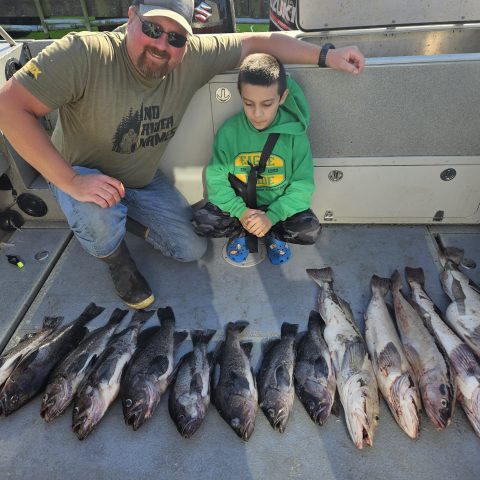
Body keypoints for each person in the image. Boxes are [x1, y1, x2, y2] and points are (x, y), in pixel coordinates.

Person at [0, 0, 365, 309]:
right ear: (131, 17)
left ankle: (120, 217)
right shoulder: (83, 52)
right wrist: (71, 180)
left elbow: (258, 40)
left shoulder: (190, 58)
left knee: (190, 248)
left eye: (176, 37)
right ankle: (116, 259)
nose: (162, 44)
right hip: (79, 173)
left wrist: (326, 56)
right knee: (95, 213)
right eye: (152, 29)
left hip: (140, 180)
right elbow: (8, 107)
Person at [192, 53, 319, 265]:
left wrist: (271, 217)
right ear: (240, 95)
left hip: (277, 209)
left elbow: (302, 187)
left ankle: (272, 233)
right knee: (201, 222)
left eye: (267, 104)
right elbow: (216, 179)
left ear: (283, 97)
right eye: (248, 103)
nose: (257, 113)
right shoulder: (229, 132)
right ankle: (241, 231)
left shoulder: (295, 136)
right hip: (240, 209)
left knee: (310, 230)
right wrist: (241, 213)